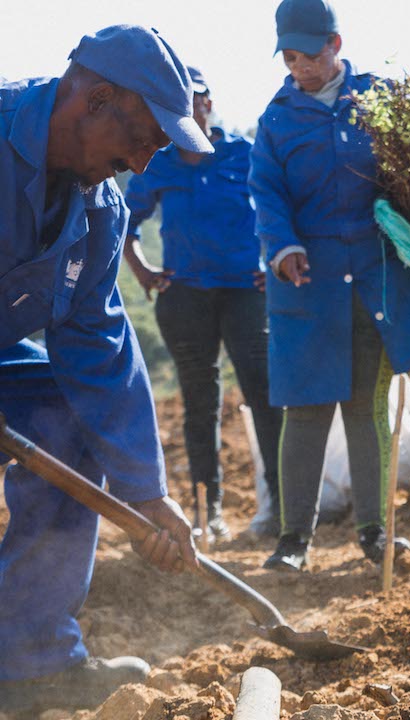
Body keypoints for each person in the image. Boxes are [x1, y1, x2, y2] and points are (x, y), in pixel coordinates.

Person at [249, 0, 410, 571]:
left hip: (375, 279)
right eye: (289, 57)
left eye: (308, 55)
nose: (299, 67)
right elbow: (267, 195)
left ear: (335, 44)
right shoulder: (277, 119)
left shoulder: (382, 100)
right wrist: (283, 248)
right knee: (305, 410)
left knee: (365, 408)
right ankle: (293, 543)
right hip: (306, 283)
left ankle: (374, 533)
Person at [0, 25, 206, 712]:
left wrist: (145, 491)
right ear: (97, 100)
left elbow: (98, 348)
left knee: (71, 419)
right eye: (145, 140)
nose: (144, 165)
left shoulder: (99, 209)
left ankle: (30, 660)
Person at [122, 66, 283, 541]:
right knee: (199, 402)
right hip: (185, 295)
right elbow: (125, 224)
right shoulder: (161, 162)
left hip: (244, 292)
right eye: (175, 105)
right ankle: (206, 511)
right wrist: (144, 272)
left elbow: (278, 207)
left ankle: (279, 507)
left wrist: (272, 262)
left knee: (263, 393)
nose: (186, 110)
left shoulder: (243, 154)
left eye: (193, 100)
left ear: (208, 103)